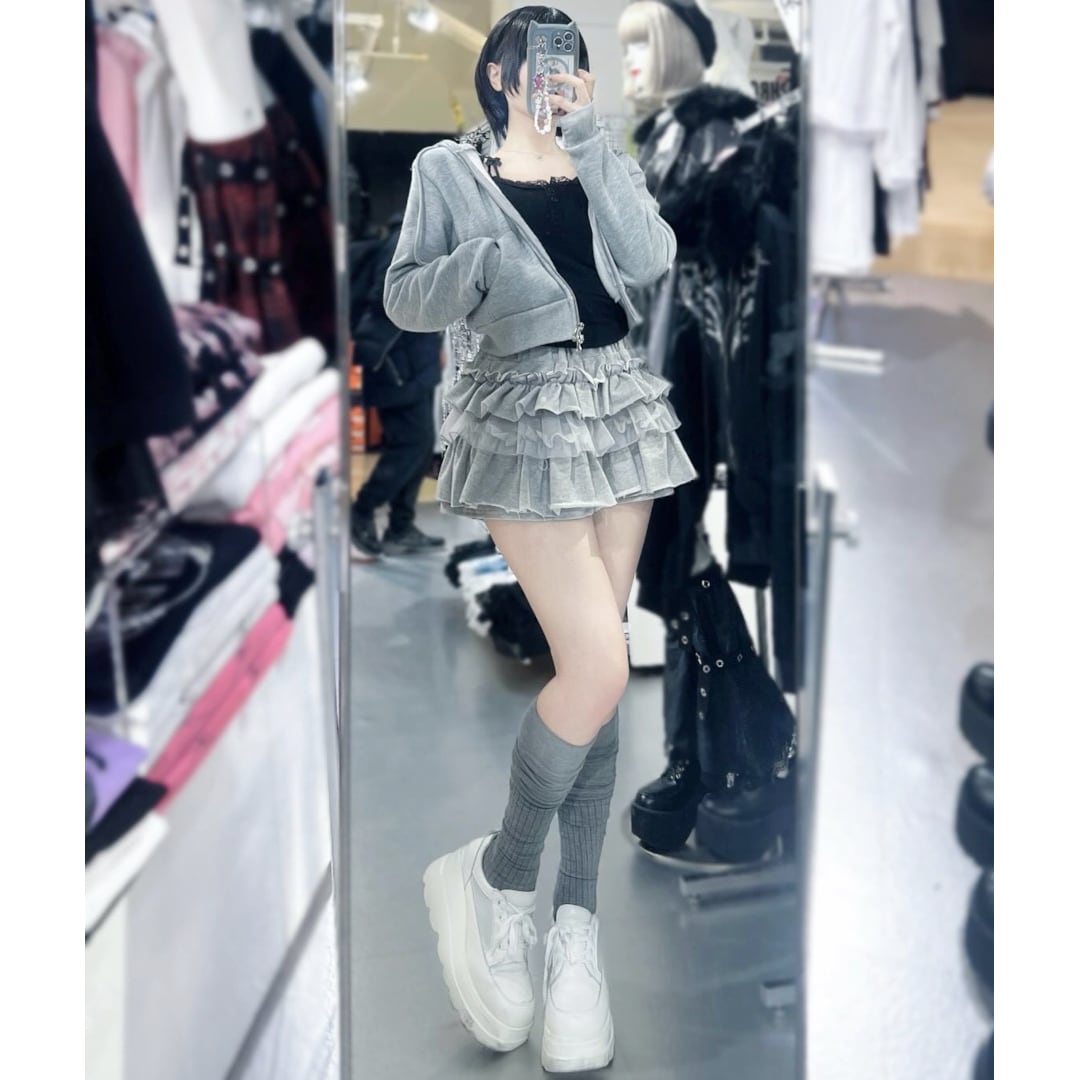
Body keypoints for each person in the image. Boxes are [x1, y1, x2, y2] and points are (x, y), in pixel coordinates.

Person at [383, 6, 696, 1072]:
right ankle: (500, 877)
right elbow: (405, 296)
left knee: (588, 672)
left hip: (616, 405)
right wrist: (475, 267)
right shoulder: (446, 169)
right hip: (517, 413)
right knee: (600, 666)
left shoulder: (597, 154)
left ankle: (575, 932)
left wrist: (595, 144)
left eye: (572, 59)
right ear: (501, 72)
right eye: (541, 58)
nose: (558, 74)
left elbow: (649, 259)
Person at [349, 212, 446, 558]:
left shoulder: (418, 239)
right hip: (394, 360)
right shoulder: (402, 243)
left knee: (420, 445)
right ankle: (361, 511)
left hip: (414, 359)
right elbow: (385, 300)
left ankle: (400, 526)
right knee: (411, 443)